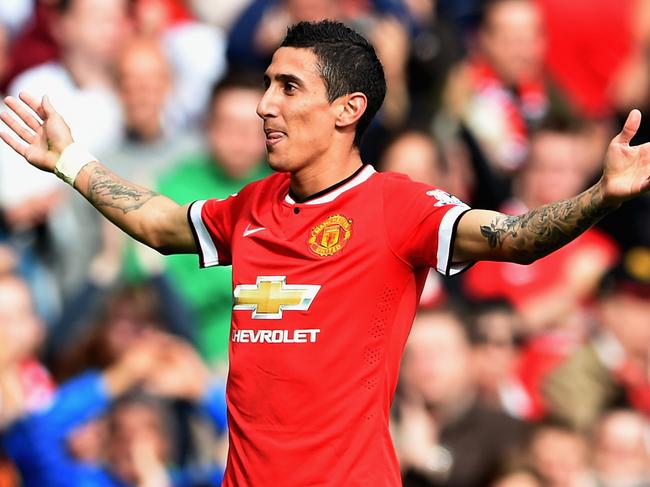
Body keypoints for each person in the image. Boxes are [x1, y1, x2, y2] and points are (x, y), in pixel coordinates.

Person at [1, 19, 650, 487]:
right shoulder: (253, 204)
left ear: (348, 109)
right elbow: (165, 223)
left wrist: (600, 196)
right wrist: (71, 161)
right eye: (266, 84)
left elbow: (517, 236)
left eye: (288, 87)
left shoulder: (401, 207)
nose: (264, 105)